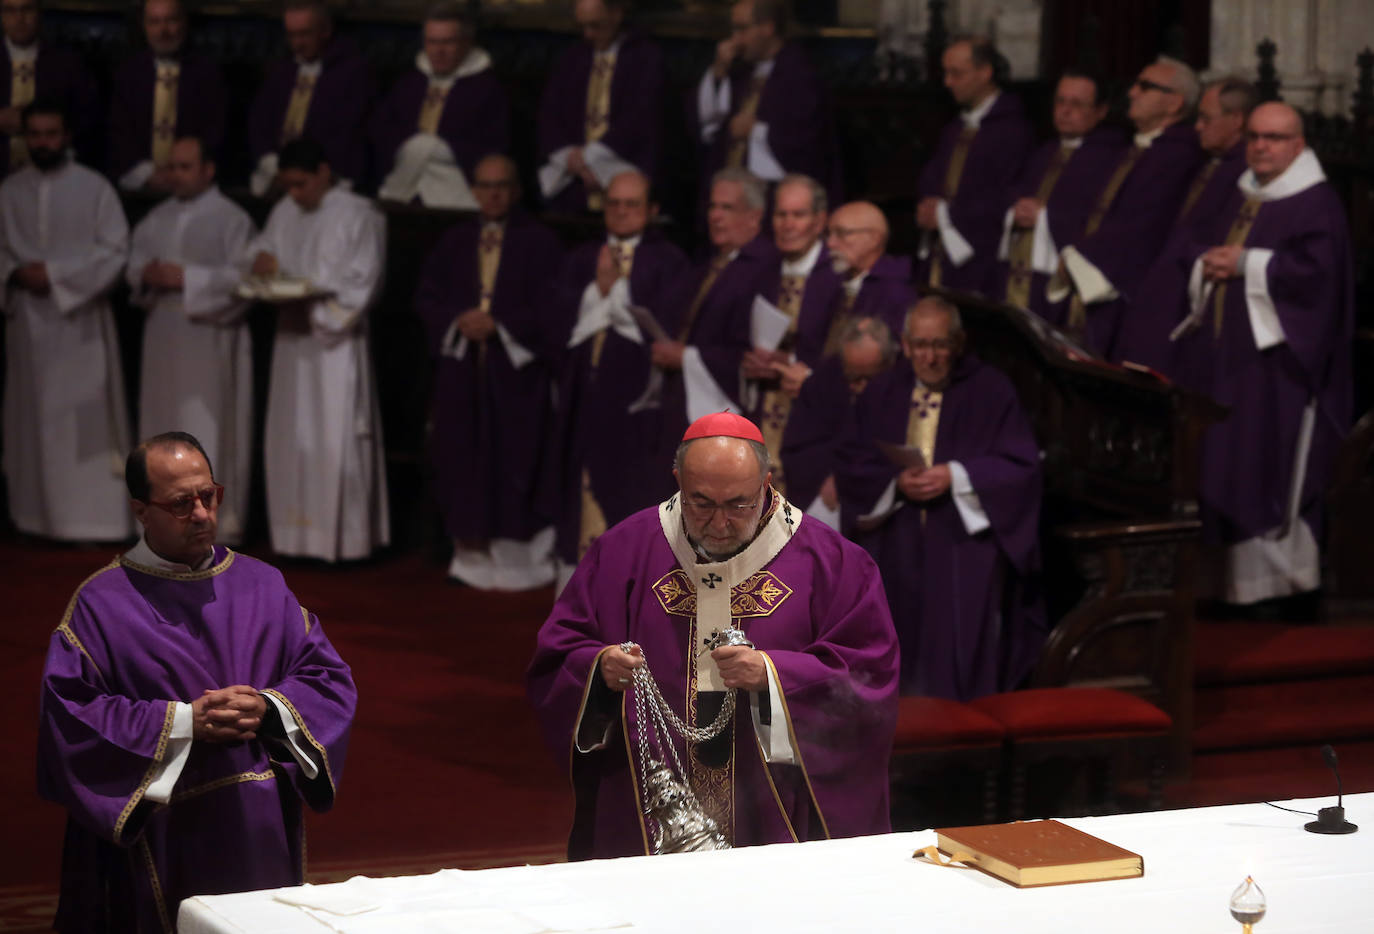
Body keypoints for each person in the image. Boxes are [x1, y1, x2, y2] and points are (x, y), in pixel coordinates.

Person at [528, 411, 899, 859]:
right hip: (651, 800)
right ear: (677, 480)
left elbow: (868, 672)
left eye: (738, 504)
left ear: (766, 484)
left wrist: (774, 674)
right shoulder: (625, 550)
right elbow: (561, 648)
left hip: (771, 802)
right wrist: (599, 668)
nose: (719, 522)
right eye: (701, 503)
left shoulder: (836, 563)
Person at [37, 431, 356, 933]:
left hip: (257, 818)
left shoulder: (262, 583)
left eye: (209, 496)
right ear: (141, 511)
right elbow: (71, 719)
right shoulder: (100, 604)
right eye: (181, 504)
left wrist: (269, 707)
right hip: (161, 826)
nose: (203, 514)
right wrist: (185, 721)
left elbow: (326, 679)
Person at [1168, 102, 1353, 604]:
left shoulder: (1316, 203)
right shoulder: (1243, 191)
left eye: (1274, 137)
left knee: (1260, 466)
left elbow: (1319, 281)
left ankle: (1270, 591)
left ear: (1299, 145)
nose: (1261, 146)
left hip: (1278, 371)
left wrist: (1248, 263)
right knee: (1220, 463)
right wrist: (1209, 261)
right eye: (1253, 136)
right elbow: (1198, 244)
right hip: (1225, 361)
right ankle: (1219, 585)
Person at [837, 296, 1045, 700]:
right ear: (906, 343)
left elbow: (1022, 466)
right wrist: (896, 483)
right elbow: (851, 460)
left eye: (940, 345)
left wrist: (958, 475)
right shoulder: (883, 390)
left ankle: (962, 735)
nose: (930, 357)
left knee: (957, 649)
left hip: (961, 544)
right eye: (921, 345)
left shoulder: (990, 390)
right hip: (896, 542)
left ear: (958, 343)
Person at [416, 153, 563, 589]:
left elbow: (554, 305)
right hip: (463, 372)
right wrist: (459, 321)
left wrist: (502, 325)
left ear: (515, 190)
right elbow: (427, 297)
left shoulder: (541, 242)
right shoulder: (454, 240)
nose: (492, 194)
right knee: (463, 459)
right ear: (473, 190)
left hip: (517, 376)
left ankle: (521, 564)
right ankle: (471, 558)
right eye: (484, 185)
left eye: (501, 185)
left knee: (517, 459)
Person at [247, 137, 389, 561]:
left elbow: (364, 281)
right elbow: (261, 250)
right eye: (287, 185)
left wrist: (316, 300)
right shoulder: (285, 209)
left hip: (334, 343)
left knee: (333, 432)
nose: (294, 194)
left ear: (325, 172)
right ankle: (293, 539)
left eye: (302, 184)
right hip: (292, 339)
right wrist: (263, 263)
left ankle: (342, 543)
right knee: (291, 433)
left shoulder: (359, 214)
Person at [548, 169, 689, 586]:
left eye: (632, 205)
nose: (622, 212)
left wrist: (611, 294)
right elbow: (552, 320)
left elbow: (671, 322)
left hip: (640, 409)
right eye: (614, 204)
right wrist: (597, 293)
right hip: (583, 401)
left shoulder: (670, 262)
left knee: (632, 497)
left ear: (652, 210)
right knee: (579, 494)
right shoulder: (581, 257)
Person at [0, 101, 132, 541]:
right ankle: (33, 518)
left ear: (67, 135)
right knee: (31, 421)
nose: (42, 142)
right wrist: (15, 272)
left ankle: (90, 521)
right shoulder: (9, 190)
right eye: (34, 134)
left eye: (50, 133)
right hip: (27, 323)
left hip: (80, 324)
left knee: (83, 420)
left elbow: (115, 251)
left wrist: (54, 276)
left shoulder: (94, 188)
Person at [127, 135, 255, 544]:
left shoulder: (232, 219)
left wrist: (187, 279)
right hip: (162, 335)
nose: (176, 176)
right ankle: (161, 521)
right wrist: (145, 275)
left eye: (185, 167)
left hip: (209, 336)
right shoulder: (156, 217)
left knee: (208, 425)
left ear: (207, 169)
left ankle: (216, 522)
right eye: (172, 167)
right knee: (161, 426)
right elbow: (132, 267)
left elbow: (246, 280)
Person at [1048, 55, 1205, 357]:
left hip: (1122, 291)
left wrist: (1078, 261)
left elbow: (1142, 227)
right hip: (1088, 277)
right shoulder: (1133, 147)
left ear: (1174, 103)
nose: (1132, 92)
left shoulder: (1177, 156)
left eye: (1145, 87)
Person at [1115, 76, 1256, 369]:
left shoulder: (1247, 178)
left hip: (1189, 303)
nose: (1197, 127)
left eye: (1206, 118)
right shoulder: (1205, 161)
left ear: (1236, 120)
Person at [652, 167, 774, 461]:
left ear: (755, 216)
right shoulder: (708, 264)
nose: (715, 216)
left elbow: (748, 351)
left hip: (727, 414)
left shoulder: (766, 268)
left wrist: (685, 357)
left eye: (727, 208)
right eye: (713, 207)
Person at [996, 69, 1125, 324]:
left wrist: (1044, 217)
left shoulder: (1110, 159)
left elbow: (1100, 219)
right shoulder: (1044, 151)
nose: (1065, 111)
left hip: (1062, 278)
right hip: (1020, 270)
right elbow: (1011, 190)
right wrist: (1016, 209)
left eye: (1076, 104)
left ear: (1101, 111)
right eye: (1060, 101)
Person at [741, 173, 842, 489]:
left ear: (819, 220)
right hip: (760, 415)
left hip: (811, 425)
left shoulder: (837, 277)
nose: (787, 224)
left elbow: (842, 355)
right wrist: (748, 365)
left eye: (798, 215)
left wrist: (794, 364)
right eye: (781, 214)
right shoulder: (761, 272)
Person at [914, 35, 1033, 296]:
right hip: (941, 249)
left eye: (956, 73)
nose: (947, 82)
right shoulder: (955, 127)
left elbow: (1004, 196)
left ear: (985, 72)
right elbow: (933, 175)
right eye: (945, 73)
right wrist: (928, 205)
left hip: (982, 257)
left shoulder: (1012, 130)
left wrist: (946, 215)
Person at [694, 0, 838, 203]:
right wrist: (719, 73)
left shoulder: (800, 75)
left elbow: (808, 145)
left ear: (768, 28)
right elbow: (711, 124)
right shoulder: (740, 71)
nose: (735, 39)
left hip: (773, 195)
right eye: (733, 29)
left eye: (742, 29)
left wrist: (757, 131)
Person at [371, 1, 509, 208]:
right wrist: (419, 148)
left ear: (466, 42)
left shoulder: (487, 89)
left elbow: (493, 148)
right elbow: (381, 134)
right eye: (431, 42)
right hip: (405, 191)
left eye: (448, 42)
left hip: (459, 194)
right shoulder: (409, 84)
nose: (438, 51)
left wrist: (436, 149)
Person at [536, 0, 664, 213]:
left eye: (595, 25)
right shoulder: (572, 58)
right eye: (582, 26)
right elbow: (550, 115)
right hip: (573, 179)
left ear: (616, 14)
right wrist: (571, 159)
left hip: (621, 169)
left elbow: (641, 117)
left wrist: (591, 157)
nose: (588, 34)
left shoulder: (645, 58)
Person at [780, 315, 897, 530]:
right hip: (825, 507)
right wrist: (827, 475)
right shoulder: (825, 379)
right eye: (852, 377)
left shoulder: (900, 389)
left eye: (868, 378)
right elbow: (798, 448)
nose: (859, 386)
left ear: (888, 365)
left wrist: (847, 481)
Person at [247, 0, 375, 195]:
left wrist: (308, 170)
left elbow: (349, 132)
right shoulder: (281, 70)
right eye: (291, 35)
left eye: (304, 34)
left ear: (325, 31)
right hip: (277, 173)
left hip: (325, 176)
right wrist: (271, 163)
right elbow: (259, 122)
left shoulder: (353, 72)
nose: (297, 43)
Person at [108, 0, 227, 192]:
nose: (163, 31)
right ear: (144, 26)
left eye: (171, 21)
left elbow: (215, 131)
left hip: (194, 188)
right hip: (138, 185)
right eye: (154, 22)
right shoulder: (128, 74)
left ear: (184, 22)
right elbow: (118, 131)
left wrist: (181, 172)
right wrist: (146, 174)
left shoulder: (208, 74)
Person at [0, 0, 98, 175]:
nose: (19, 18)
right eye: (10, 10)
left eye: (26, 9)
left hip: (55, 174)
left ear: (39, 12)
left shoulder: (69, 63)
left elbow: (88, 121)